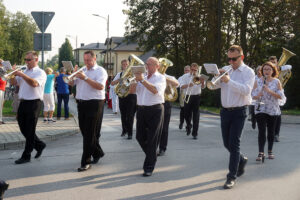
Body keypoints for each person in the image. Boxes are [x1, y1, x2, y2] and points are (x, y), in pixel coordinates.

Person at [217, 45, 255, 189]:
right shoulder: (226, 69)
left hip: (240, 111)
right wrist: (216, 78)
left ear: (242, 57)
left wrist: (228, 81)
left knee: (234, 144)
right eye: (229, 59)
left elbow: (246, 90)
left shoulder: (248, 72)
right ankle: (241, 159)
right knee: (227, 143)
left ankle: (231, 177)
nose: (231, 62)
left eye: (234, 59)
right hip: (225, 111)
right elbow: (213, 87)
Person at [69, 50, 107, 172]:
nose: (86, 63)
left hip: (95, 103)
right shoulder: (82, 70)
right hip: (81, 103)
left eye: (89, 60)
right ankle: (98, 152)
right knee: (85, 131)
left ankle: (86, 161)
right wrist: (73, 75)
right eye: (84, 60)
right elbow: (70, 83)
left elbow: (100, 86)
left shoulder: (100, 71)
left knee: (90, 133)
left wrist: (85, 78)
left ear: (94, 59)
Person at [130, 57, 166, 176]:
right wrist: (133, 82)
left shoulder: (161, 78)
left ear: (157, 66)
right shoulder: (143, 77)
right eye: (147, 64)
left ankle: (148, 167)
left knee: (152, 139)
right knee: (139, 137)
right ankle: (152, 155)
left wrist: (142, 81)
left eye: (150, 64)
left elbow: (155, 90)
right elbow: (132, 92)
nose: (147, 66)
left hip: (155, 109)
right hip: (141, 109)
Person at [10, 51, 47, 164]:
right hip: (23, 102)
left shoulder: (40, 72)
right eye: (25, 60)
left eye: (29, 60)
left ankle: (26, 155)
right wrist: (12, 74)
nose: (26, 62)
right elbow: (15, 83)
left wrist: (22, 74)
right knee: (23, 128)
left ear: (36, 60)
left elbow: (34, 84)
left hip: (34, 102)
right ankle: (39, 145)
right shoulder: (25, 71)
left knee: (30, 130)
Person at [252, 61, 285, 163]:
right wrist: (259, 94)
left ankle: (270, 151)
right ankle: (261, 152)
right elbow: (252, 95)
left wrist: (269, 91)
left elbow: (281, 96)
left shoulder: (277, 82)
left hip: (272, 109)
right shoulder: (257, 81)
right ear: (262, 71)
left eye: (269, 69)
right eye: (265, 69)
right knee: (261, 131)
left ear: (272, 71)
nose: (266, 71)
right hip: (260, 108)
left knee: (271, 131)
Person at [111, 59, 137, 139]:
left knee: (130, 115)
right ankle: (124, 130)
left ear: (129, 65)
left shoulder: (133, 74)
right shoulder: (120, 74)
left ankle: (130, 133)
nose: (125, 65)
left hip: (131, 96)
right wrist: (120, 80)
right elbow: (112, 83)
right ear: (121, 65)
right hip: (122, 96)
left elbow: (135, 85)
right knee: (123, 115)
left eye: (126, 64)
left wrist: (128, 81)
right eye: (123, 64)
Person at [180, 63, 205, 139]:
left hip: (197, 96)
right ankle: (189, 125)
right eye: (192, 69)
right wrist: (188, 85)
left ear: (197, 70)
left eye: (195, 70)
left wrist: (203, 82)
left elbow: (203, 87)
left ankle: (195, 133)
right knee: (187, 114)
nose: (193, 71)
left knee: (196, 115)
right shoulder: (185, 76)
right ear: (190, 69)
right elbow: (181, 86)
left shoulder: (200, 76)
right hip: (188, 95)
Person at [158, 74, 179, 156]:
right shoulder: (152, 76)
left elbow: (177, 84)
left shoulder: (170, 77)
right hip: (155, 102)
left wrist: (165, 79)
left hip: (166, 103)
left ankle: (162, 148)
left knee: (164, 127)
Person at [269, 56, 282, 142]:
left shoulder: (281, 68)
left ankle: (276, 134)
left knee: (278, 115)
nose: (273, 63)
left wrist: (279, 67)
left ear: (277, 62)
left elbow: (290, 67)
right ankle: (271, 133)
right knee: (268, 115)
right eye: (271, 62)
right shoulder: (267, 69)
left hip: (278, 94)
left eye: (274, 62)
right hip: (268, 94)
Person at [249, 65, 262, 129]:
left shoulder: (264, 78)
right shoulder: (253, 78)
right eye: (258, 71)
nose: (259, 72)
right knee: (253, 112)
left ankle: (260, 124)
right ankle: (253, 122)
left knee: (260, 112)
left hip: (261, 98)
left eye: (260, 70)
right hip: (253, 97)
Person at [178, 65, 190, 130]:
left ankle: (188, 125)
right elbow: (180, 86)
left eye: (188, 70)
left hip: (190, 95)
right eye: (186, 70)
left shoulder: (192, 77)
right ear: (184, 71)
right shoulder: (181, 77)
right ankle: (181, 122)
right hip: (183, 94)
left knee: (188, 111)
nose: (187, 71)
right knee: (182, 110)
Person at [0, 59, 7, 125]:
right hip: (0, 89)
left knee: (1, 105)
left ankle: (1, 119)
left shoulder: (2, 69)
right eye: (2, 62)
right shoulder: (1, 69)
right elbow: (4, 73)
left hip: (2, 89)